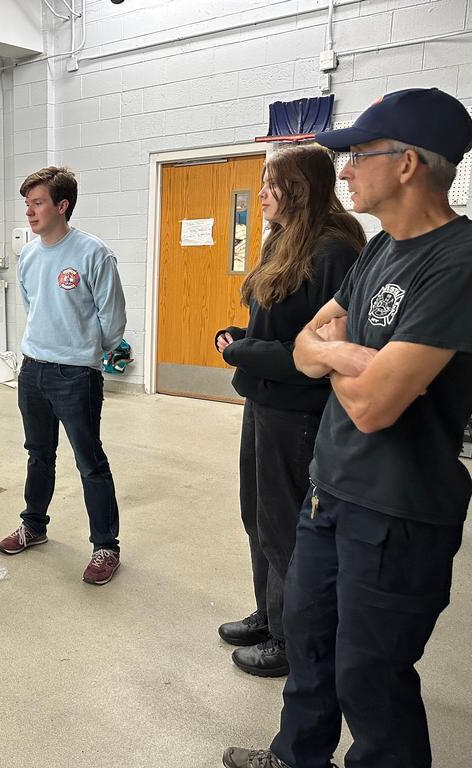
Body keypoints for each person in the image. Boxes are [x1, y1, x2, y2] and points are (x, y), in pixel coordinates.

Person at [223, 88, 472, 768]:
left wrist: (334, 354)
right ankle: (295, 757)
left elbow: (372, 407)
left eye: (359, 155)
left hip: (396, 508)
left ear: (409, 165)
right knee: (308, 644)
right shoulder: (378, 251)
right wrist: (347, 354)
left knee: (371, 676)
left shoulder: (457, 261)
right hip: (327, 489)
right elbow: (307, 345)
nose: (345, 170)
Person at [214, 146, 365, 677]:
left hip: (298, 411)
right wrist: (246, 340)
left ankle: (289, 638)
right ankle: (270, 614)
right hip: (264, 400)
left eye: (272, 185)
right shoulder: (287, 241)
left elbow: (319, 358)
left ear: (300, 189)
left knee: (285, 528)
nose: (261, 195)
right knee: (257, 516)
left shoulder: (333, 252)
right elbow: (279, 329)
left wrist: (240, 350)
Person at [0, 166, 127, 585]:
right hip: (32, 369)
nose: (30, 213)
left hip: (76, 376)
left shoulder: (93, 253)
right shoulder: (30, 255)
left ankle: (106, 546)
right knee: (39, 454)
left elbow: (114, 319)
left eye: (37, 203)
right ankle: (33, 525)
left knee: (90, 463)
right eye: (28, 204)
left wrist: (85, 350)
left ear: (62, 205)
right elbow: (33, 304)